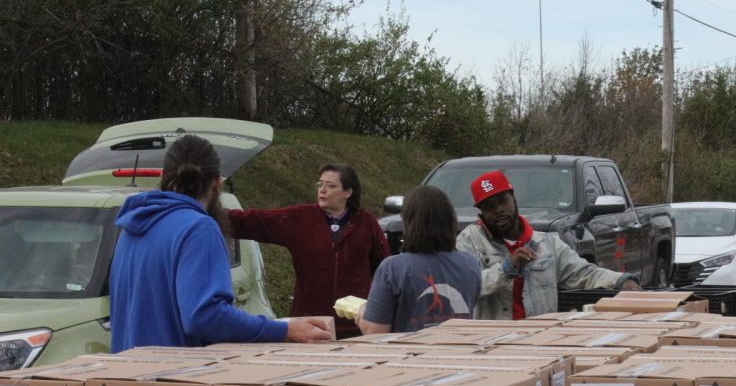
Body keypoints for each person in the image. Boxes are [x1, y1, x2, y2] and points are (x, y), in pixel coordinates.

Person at [109, 134, 332, 352]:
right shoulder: (199, 228)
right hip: (174, 379)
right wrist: (283, 330)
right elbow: (205, 316)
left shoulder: (133, 225)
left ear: (163, 176)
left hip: (127, 378)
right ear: (216, 183)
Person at [227, 163, 390, 338]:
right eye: (320, 184)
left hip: (356, 328)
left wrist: (375, 311)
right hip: (310, 325)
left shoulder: (367, 223)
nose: (323, 190)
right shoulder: (300, 218)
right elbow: (253, 221)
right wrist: (209, 212)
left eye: (331, 185)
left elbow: (385, 271)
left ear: (347, 192)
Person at [456, 170, 640, 320]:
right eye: (489, 207)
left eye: (502, 201)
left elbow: (583, 273)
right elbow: (467, 287)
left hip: (539, 341)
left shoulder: (546, 243)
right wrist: (507, 269)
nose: (498, 210)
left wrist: (622, 281)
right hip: (492, 344)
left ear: (514, 199)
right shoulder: (469, 241)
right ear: (481, 213)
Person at [357, 185, 481, 333]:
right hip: (455, 353)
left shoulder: (393, 268)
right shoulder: (470, 264)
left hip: (407, 355)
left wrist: (362, 314)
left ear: (408, 222)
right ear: (450, 220)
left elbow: (375, 332)